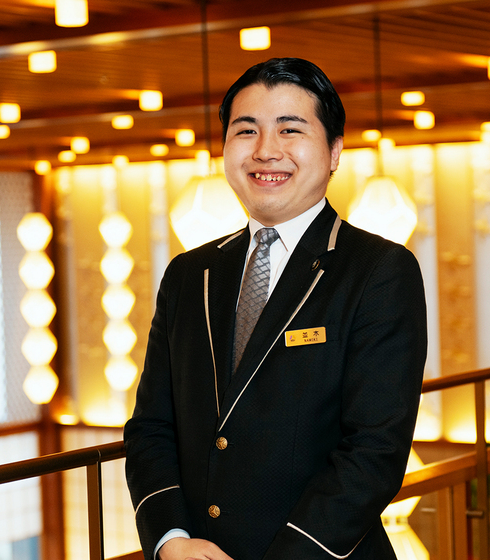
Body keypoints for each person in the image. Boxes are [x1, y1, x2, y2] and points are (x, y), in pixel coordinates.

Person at [124, 57, 427, 560]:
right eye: (246, 131)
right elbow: (151, 427)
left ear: (334, 151)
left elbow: (374, 451)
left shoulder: (379, 270)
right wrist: (170, 539)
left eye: (290, 129)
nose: (266, 150)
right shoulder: (188, 274)